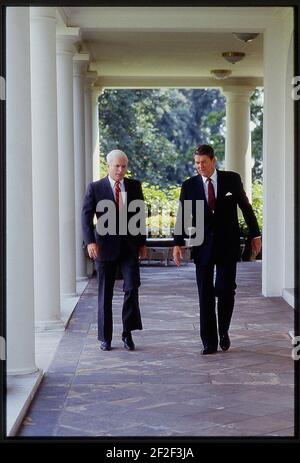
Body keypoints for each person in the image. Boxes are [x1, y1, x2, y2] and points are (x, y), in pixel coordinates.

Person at [173, 144, 261, 355]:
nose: (200, 166)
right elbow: (182, 215)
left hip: (227, 244)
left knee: (225, 289)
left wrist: (255, 234)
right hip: (201, 244)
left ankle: (224, 331)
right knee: (205, 293)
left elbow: (246, 207)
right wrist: (177, 243)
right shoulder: (189, 185)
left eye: (204, 162)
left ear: (214, 161)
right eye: (196, 163)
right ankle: (209, 342)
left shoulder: (231, 179)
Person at [81, 149, 147, 352]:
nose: (120, 170)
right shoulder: (96, 188)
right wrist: (90, 242)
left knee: (132, 288)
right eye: (117, 166)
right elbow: (86, 216)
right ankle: (105, 338)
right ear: (108, 166)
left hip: (129, 247)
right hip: (104, 248)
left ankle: (127, 333)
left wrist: (142, 243)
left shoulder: (134, 186)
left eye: (123, 166)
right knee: (105, 294)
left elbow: (140, 215)